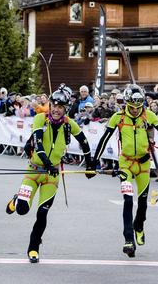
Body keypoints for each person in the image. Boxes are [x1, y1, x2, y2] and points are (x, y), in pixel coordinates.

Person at [91, 84, 158, 258]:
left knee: (143, 203)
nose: (135, 111)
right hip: (125, 164)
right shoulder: (118, 117)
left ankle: (139, 226)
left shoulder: (149, 116)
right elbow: (104, 139)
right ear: (126, 104)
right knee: (127, 200)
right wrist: (92, 163)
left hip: (144, 164)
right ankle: (128, 239)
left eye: (138, 108)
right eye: (131, 108)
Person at [5, 86, 94, 263]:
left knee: (42, 214)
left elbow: (84, 142)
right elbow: (38, 144)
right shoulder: (40, 119)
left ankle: (33, 248)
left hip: (51, 176)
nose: (56, 109)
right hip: (34, 171)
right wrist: (46, 163)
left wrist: (90, 164)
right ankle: (17, 200)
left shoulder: (69, 124)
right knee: (22, 210)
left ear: (65, 109)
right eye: (54, 105)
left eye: (60, 107)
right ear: (50, 104)